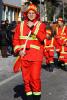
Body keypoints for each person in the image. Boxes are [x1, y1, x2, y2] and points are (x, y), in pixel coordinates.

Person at [13, 3, 46, 100]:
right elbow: (15, 40)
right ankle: (29, 97)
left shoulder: (41, 25)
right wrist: (18, 51)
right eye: (29, 13)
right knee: (26, 80)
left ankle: (36, 97)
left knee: (34, 79)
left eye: (33, 13)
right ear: (26, 14)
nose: (31, 14)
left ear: (36, 14)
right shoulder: (20, 25)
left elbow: (42, 38)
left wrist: (33, 27)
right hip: (24, 56)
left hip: (36, 57)